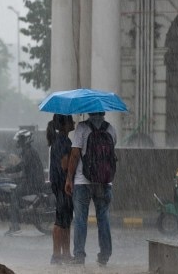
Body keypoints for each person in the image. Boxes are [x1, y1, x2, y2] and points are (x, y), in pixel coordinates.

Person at [65, 112, 116, 266]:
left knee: (81, 219)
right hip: (104, 182)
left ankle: (79, 256)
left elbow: (74, 155)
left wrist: (69, 178)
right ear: (104, 112)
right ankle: (104, 256)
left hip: (83, 181)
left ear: (89, 111)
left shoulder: (82, 127)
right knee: (104, 218)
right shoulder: (111, 129)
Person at [0, 129, 45, 236]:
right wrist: (6, 169)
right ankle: (20, 213)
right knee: (13, 187)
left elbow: (20, 167)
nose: (18, 142)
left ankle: (15, 226)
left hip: (33, 182)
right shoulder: (27, 151)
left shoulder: (29, 152)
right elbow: (22, 167)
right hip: (30, 179)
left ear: (25, 140)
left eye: (20, 140)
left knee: (14, 195)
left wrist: (5, 170)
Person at [46, 114, 75, 265]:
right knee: (60, 221)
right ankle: (57, 255)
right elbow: (64, 165)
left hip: (59, 184)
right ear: (65, 124)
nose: (74, 122)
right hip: (63, 185)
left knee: (66, 220)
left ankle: (65, 254)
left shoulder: (58, 141)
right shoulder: (64, 141)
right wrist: (75, 158)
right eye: (71, 120)